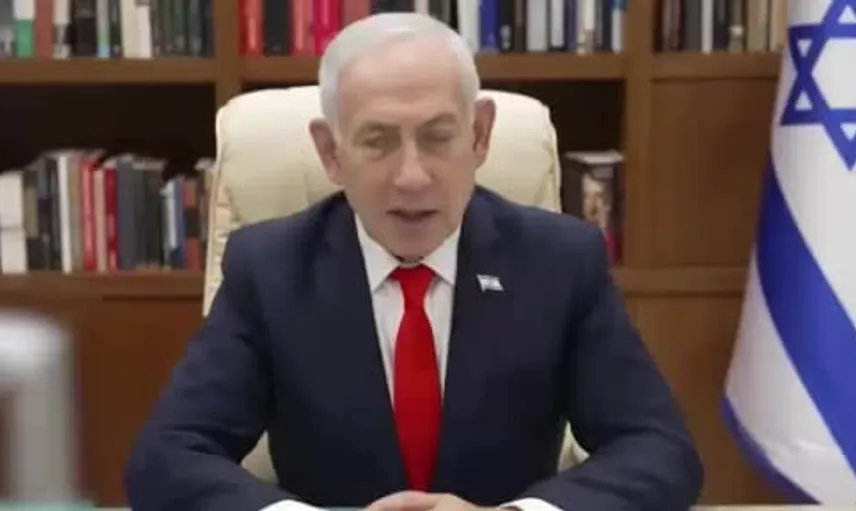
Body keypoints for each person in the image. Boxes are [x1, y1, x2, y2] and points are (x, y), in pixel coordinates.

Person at [124, 12, 704, 511]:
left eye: (437, 137)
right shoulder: (270, 269)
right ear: (331, 152)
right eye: (378, 141)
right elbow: (167, 457)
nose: (412, 177)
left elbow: (659, 451)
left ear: (479, 136)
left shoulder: (560, 261)